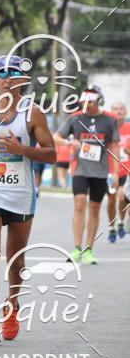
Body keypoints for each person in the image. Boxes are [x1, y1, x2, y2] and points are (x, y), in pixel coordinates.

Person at [0, 55, 56, 342]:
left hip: (21, 196)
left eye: (13, 74)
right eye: (2, 73)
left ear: (22, 80)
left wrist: (23, 150)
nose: (7, 79)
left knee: (16, 262)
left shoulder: (33, 113)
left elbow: (52, 154)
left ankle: (12, 307)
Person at [53, 85, 119, 264]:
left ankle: (89, 249)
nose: (87, 105)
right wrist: (69, 142)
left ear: (99, 101)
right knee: (79, 203)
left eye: (91, 102)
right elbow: (56, 137)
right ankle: (76, 248)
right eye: (84, 102)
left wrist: (115, 172)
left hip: (101, 171)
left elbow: (114, 147)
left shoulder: (110, 120)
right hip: (80, 169)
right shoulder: (75, 118)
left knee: (95, 207)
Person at [106, 102, 130, 241]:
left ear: (125, 112)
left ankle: (121, 221)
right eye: (115, 109)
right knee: (111, 200)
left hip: (126, 170)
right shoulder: (107, 129)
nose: (119, 111)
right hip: (110, 170)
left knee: (122, 197)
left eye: (121, 109)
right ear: (111, 112)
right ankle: (111, 227)